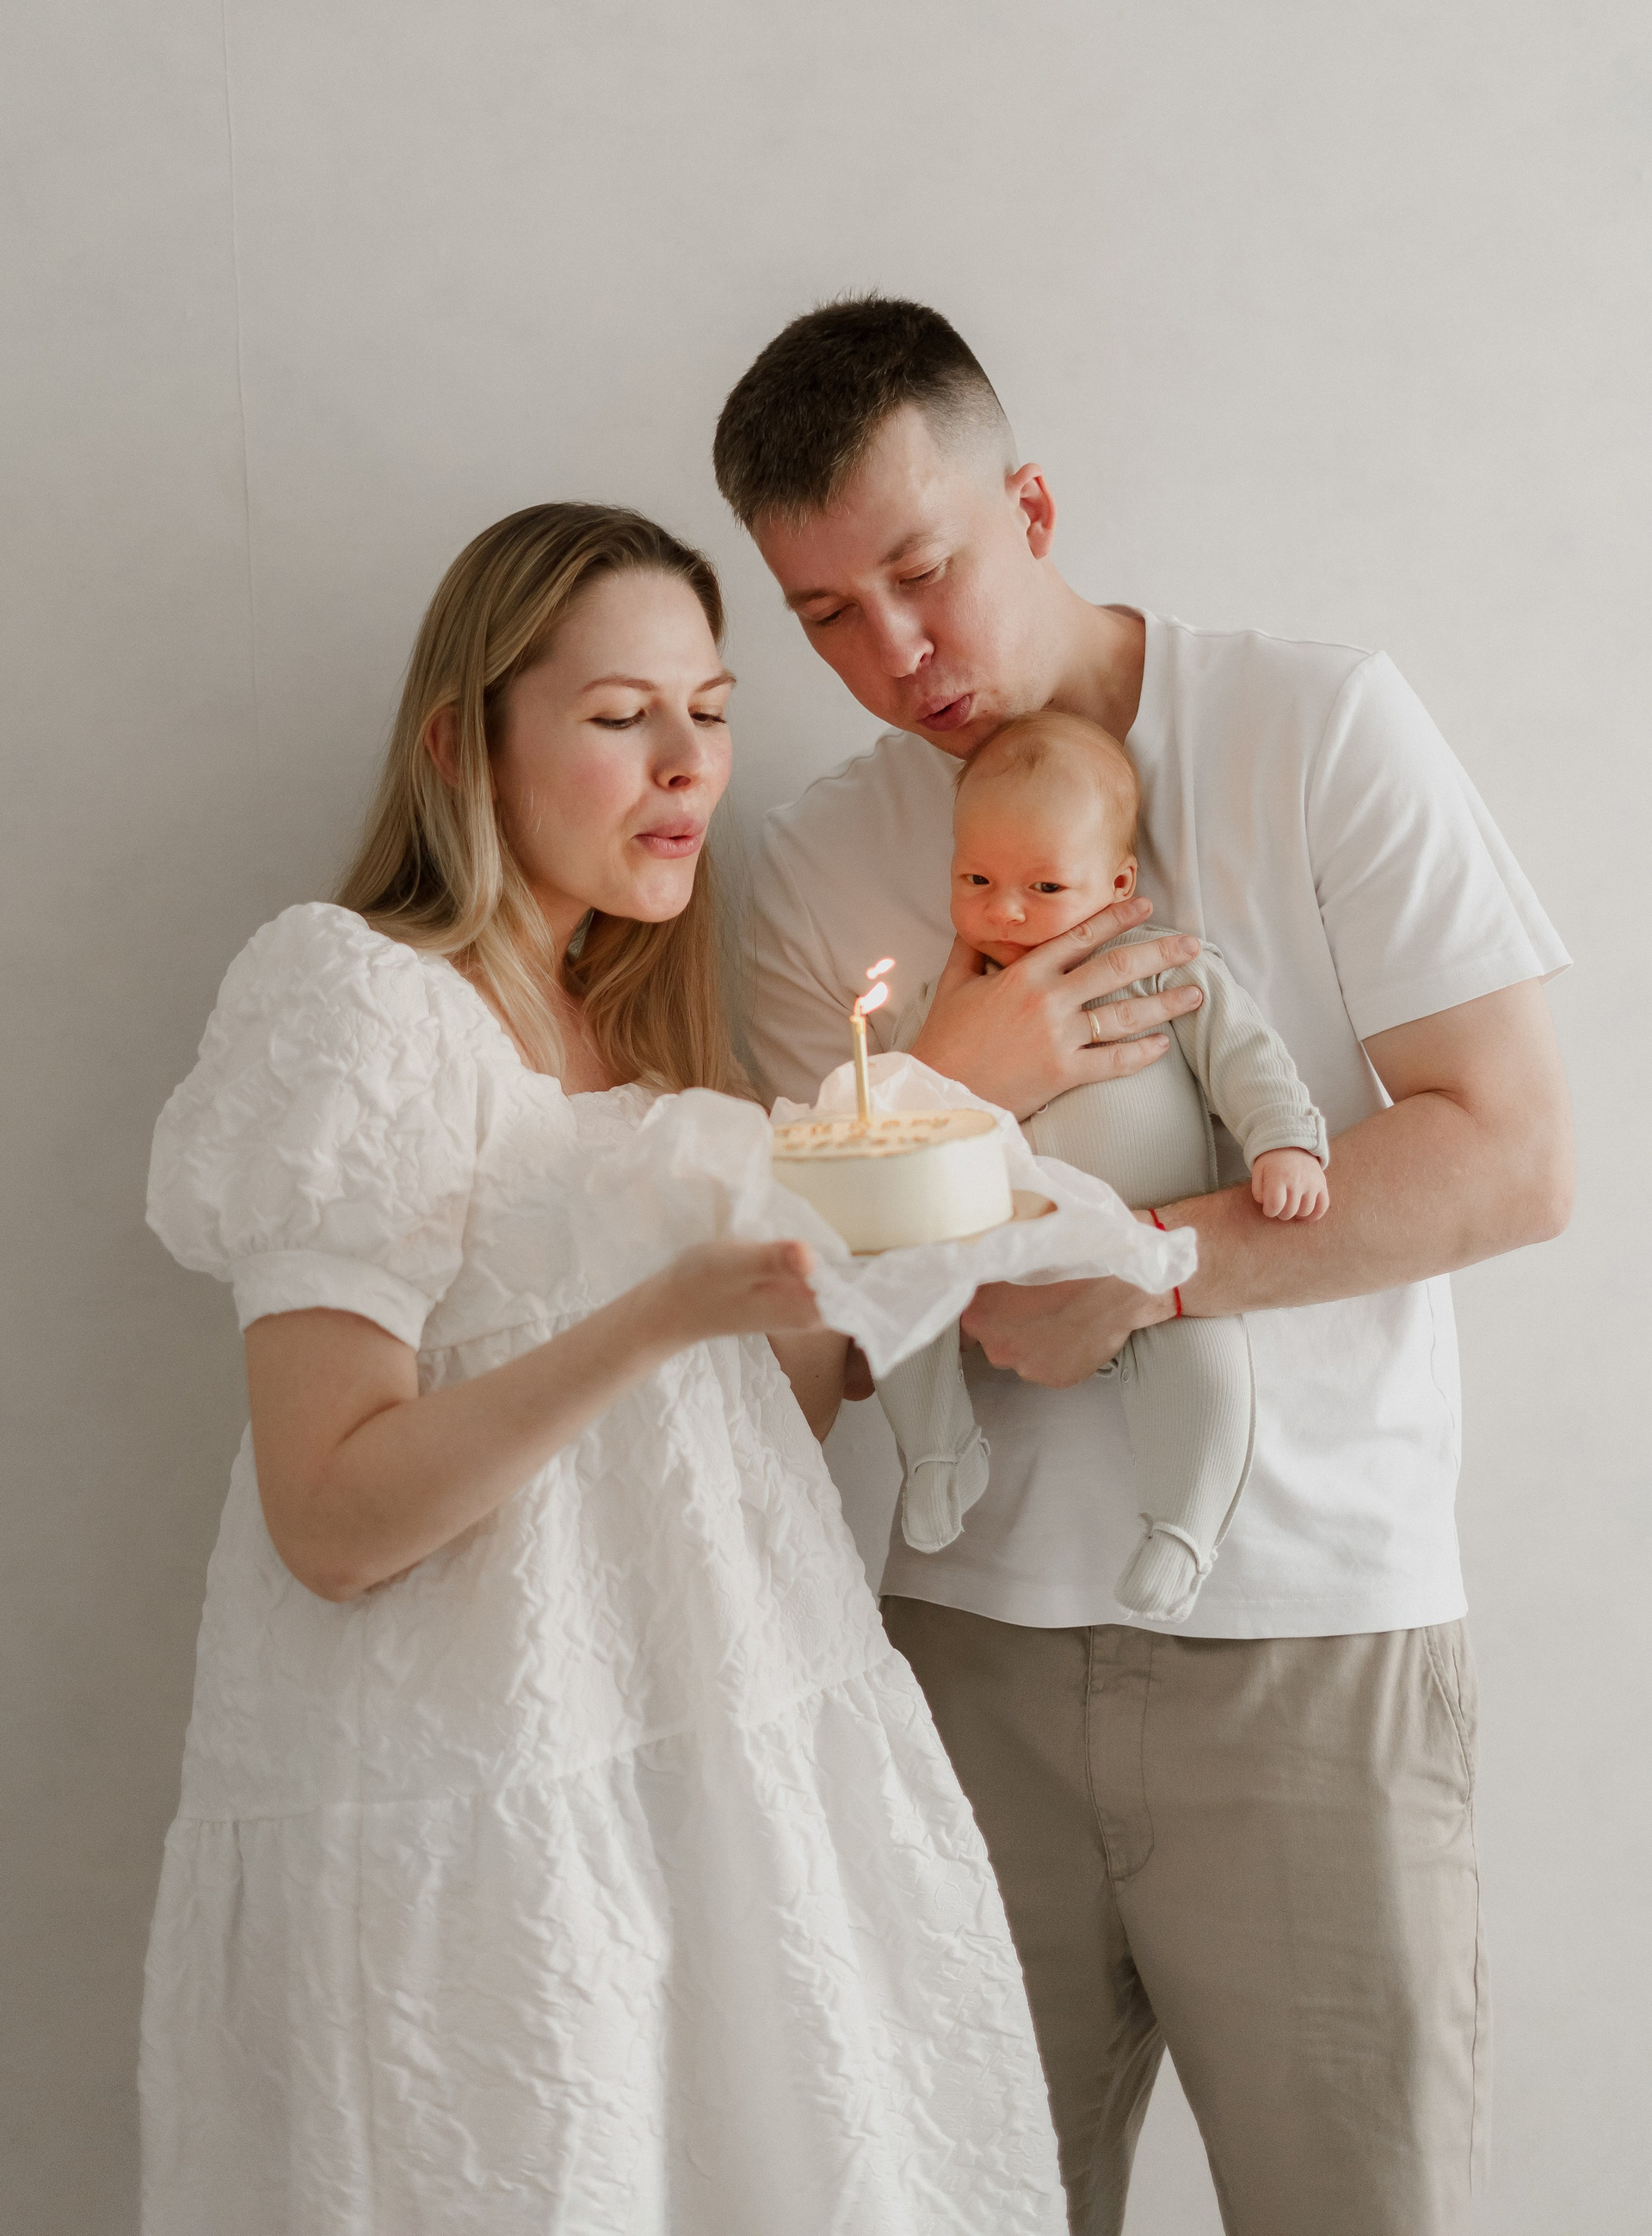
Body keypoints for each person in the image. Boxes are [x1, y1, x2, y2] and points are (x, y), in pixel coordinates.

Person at [714, 298, 1575, 2236]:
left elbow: (1513, 1154)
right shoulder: (824, 859)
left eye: (922, 573)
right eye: (825, 614)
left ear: (1029, 506)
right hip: (960, 1652)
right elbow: (808, 1328)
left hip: (1310, 1647)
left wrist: (1156, 1271)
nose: (893, 655)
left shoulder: (1313, 726)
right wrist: (955, 1080)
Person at [139, 502, 1066, 2236]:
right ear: (460, 744)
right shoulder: (366, 1008)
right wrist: (659, 1314)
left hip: (713, 1785)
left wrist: (873, 1239)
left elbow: (746, 1440)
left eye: (709, 712)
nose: (686, 765)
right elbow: (329, 1519)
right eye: (622, 716)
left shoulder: (640, 1036)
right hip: (490, 1812)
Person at [874, 706, 1328, 1624]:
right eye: (975, 879)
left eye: (1044, 886)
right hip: (985, 1242)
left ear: (1118, 883)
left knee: (1205, 1354)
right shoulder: (950, 997)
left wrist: (1283, 1140)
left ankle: (1184, 1529)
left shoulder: (1155, 967)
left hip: (1138, 1241)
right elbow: (887, 1104)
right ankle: (934, 1450)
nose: (1005, 909)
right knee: (894, 1284)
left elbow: (1245, 1056)